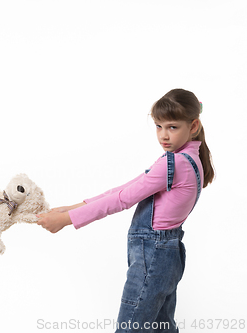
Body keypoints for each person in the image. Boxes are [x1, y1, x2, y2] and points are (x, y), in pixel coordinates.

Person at [37, 89, 214, 332]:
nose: (163, 135)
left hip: (153, 253)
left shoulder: (174, 163)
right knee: (161, 326)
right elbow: (127, 188)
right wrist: (72, 207)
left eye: (172, 127)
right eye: (159, 126)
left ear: (193, 126)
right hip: (168, 253)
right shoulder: (188, 159)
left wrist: (66, 219)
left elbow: (123, 199)